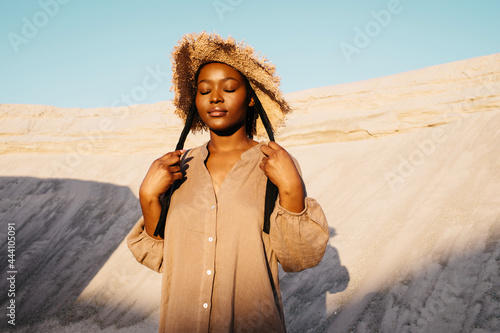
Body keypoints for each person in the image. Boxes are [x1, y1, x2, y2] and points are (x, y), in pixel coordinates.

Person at [127, 32, 329, 333]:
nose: (215, 98)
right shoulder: (177, 167)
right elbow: (160, 257)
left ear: (250, 97)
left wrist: (291, 189)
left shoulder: (275, 165)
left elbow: (299, 257)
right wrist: (148, 197)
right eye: (204, 90)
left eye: (229, 88)